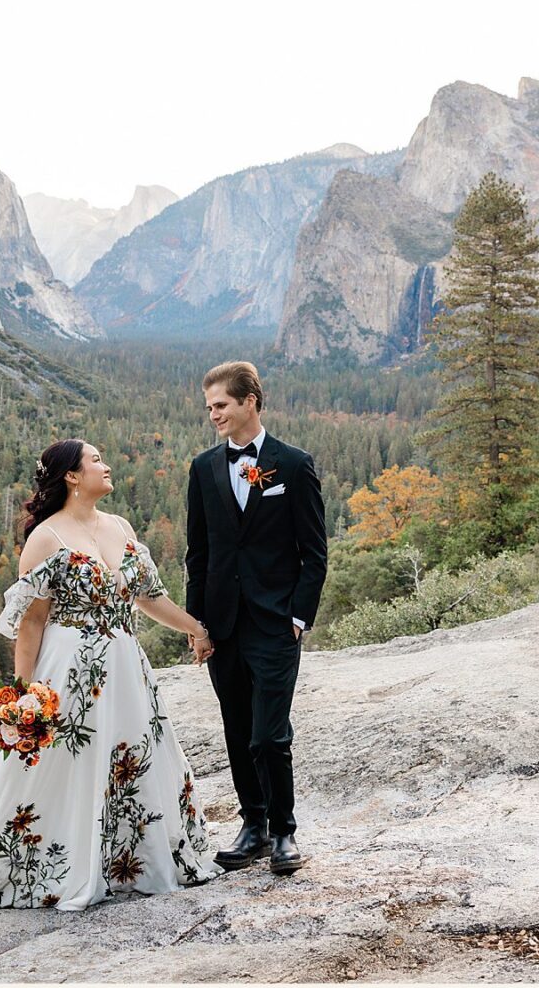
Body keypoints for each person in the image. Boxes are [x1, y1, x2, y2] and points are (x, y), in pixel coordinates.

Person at [0, 439, 220, 912]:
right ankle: (47, 868)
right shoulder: (46, 538)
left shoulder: (120, 527)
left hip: (125, 665)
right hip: (71, 668)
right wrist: (24, 697)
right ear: (72, 477)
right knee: (66, 764)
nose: (106, 465)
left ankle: (131, 863)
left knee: (133, 755)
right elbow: (31, 622)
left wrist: (197, 629)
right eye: (96, 460)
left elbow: (148, 598)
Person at [186, 361, 326, 876]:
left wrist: (298, 618)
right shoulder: (203, 469)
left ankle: (285, 830)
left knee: (270, 734)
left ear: (251, 402)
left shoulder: (293, 465)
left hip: (274, 624)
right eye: (209, 408)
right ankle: (254, 827)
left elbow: (314, 552)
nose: (213, 415)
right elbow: (197, 554)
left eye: (220, 405)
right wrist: (197, 625)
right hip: (222, 625)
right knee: (237, 728)